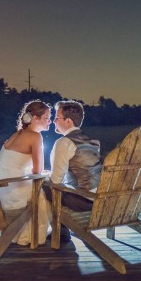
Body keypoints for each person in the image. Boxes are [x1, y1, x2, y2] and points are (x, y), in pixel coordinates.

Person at [0, 100, 53, 246]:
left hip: (1, 191)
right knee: (42, 195)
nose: (49, 121)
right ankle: (31, 236)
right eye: (46, 118)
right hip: (13, 192)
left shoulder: (17, 134)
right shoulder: (35, 136)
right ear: (35, 119)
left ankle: (16, 232)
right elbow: (37, 171)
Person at [44, 100, 102, 241]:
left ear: (68, 121)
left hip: (82, 201)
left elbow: (56, 181)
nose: (54, 121)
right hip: (100, 198)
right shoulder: (94, 141)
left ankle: (61, 232)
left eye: (57, 118)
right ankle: (63, 229)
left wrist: (45, 177)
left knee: (44, 186)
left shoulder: (63, 143)